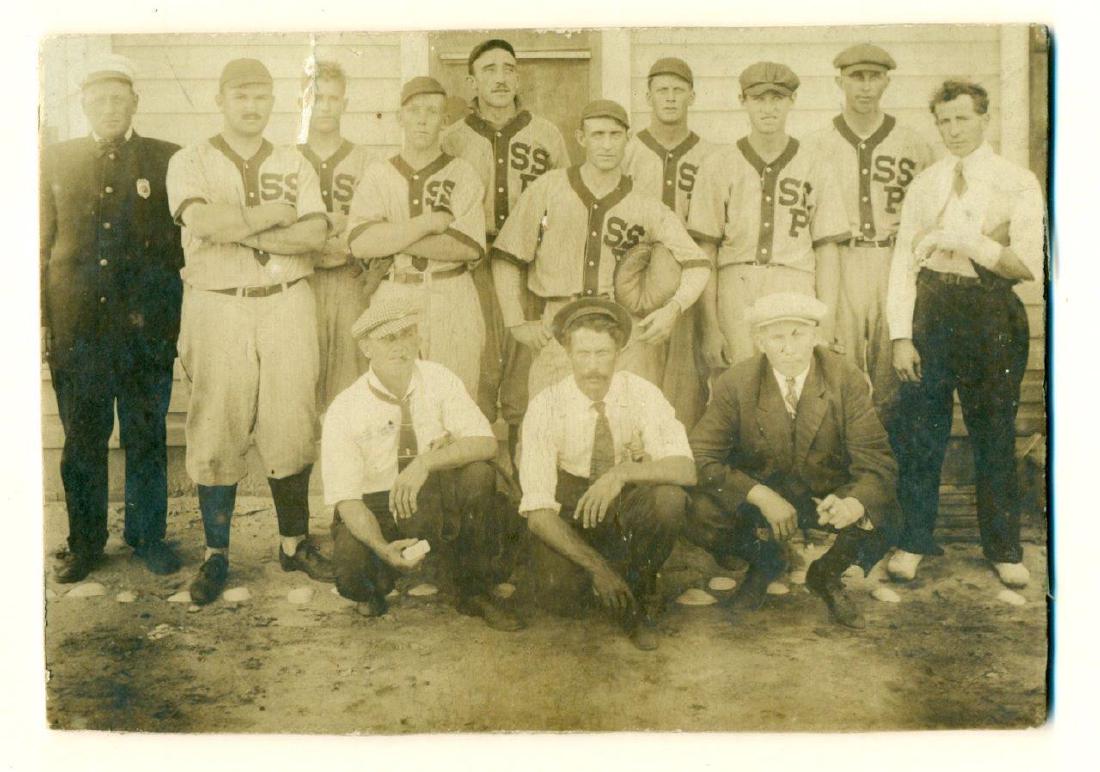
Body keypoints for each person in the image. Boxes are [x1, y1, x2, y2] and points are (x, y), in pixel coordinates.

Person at [166, 58, 333, 605]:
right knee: (217, 422)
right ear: (220, 98)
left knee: (292, 420)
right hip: (219, 304)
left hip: (287, 301)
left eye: (261, 95)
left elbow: (312, 233)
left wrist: (244, 227)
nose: (251, 104)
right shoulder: (190, 159)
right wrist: (270, 216)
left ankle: (293, 543)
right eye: (240, 94)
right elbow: (203, 223)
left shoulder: (294, 160)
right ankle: (217, 555)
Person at [885, 80, 1044, 588]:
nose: (953, 131)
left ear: (984, 119)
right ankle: (913, 541)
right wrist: (900, 335)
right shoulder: (926, 183)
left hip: (991, 313)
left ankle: (1002, 548)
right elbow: (902, 265)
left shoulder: (1016, 182)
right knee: (921, 434)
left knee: (993, 434)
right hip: (932, 311)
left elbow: (1027, 265)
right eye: (944, 122)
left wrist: (966, 240)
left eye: (962, 119)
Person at [41, 54, 184, 581]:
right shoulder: (54, 160)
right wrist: (41, 320)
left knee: (146, 433)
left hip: (145, 329)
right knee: (83, 435)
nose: (108, 108)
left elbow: (177, 249)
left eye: (118, 99)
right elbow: (37, 245)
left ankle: (148, 536)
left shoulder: (165, 159)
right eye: (98, 99)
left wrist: (171, 322)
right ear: (83, 104)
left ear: (134, 105)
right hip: (79, 329)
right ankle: (84, 543)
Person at [687, 292, 899, 628]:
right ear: (760, 341)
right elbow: (699, 455)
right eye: (777, 337)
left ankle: (826, 575)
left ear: (815, 335)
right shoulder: (736, 383)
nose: (789, 348)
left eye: (798, 334)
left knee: (883, 506)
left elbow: (877, 461)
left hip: (824, 498)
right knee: (697, 509)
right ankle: (766, 560)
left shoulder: (845, 379)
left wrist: (852, 503)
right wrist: (760, 495)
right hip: (762, 499)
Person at [321, 298, 524, 631]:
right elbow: (347, 500)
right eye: (389, 338)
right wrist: (380, 547)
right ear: (366, 347)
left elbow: (485, 442)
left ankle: (474, 588)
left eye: (408, 334)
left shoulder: (438, 378)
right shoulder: (346, 407)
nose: (402, 347)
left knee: (478, 475)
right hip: (378, 505)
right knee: (354, 575)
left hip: (431, 494)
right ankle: (385, 573)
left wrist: (425, 463)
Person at [492, 99, 710, 400]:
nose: (607, 144)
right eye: (597, 135)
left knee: (627, 428)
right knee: (552, 420)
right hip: (561, 321)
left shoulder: (644, 203)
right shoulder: (548, 188)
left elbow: (697, 264)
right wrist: (515, 322)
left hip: (622, 326)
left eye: (615, 135)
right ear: (581, 138)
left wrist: (673, 310)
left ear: (627, 139)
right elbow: (507, 256)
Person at [520, 298, 694, 651]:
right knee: (560, 596)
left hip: (621, 504)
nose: (594, 367)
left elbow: (686, 469)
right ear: (567, 354)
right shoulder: (546, 405)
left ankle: (640, 590)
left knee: (669, 499)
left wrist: (621, 474)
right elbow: (538, 513)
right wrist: (598, 569)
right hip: (571, 508)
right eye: (583, 354)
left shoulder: (642, 393)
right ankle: (608, 576)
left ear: (620, 352)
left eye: (603, 353)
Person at [441, 39, 570, 458]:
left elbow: (565, 204)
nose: (500, 77)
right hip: (472, 264)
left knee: (524, 373)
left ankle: (521, 489)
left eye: (508, 69)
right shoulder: (453, 139)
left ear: (517, 78)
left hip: (527, 266)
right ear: (472, 81)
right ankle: (479, 487)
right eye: (490, 69)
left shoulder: (545, 133)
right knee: (475, 369)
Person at [805, 43, 932, 436]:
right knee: (837, 366)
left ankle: (886, 478)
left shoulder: (913, 143)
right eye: (856, 77)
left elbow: (930, 215)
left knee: (894, 371)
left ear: (886, 81)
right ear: (838, 80)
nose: (864, 86)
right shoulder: (815, 144)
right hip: (839, 260)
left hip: (894, 261)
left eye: (873, 76)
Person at [688, 62, 850, 370]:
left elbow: (827, 249)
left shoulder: (816, 164)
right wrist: (710, 326)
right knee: (738, 382)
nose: (768, 108)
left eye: (777, 98)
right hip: (736, 282)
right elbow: (706, 251)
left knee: (793, 381)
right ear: (743, 101)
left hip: (794, 280)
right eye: (758, 99)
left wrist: (826, 320)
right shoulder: (719, 164)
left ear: (792, 101)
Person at [347, 76, 487, 399]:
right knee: (393, 397)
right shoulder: (378, 173)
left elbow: (465, 246)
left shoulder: (462, 172)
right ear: (400, 117)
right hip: (394, 291)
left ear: (445, 120)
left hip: (450, 292)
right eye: (414, 111)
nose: (423, 119)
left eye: (433, 111)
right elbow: (359, 243)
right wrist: (429, 222)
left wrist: (390, 235)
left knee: (456, 395)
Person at [622, 56, 718, 430]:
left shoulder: (712, 154)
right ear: (647, 96)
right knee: (637, 371)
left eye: (679, 90)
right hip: (637, 273)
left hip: (689, 271)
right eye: (662, 90)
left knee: (686, 381)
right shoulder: (628, 150)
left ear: (693, 96)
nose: (670, 98)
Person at [296, 60, 374, 410]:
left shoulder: (366, 161)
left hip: (349, 277)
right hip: (300, 277)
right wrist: (336, 221)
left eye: (332, 98)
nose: (324, 106)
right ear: (302, 102)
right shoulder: (285, 158)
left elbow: (372, 222)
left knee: (351, 382)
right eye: (316, 97)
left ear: (345, 103)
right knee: (301, 378)